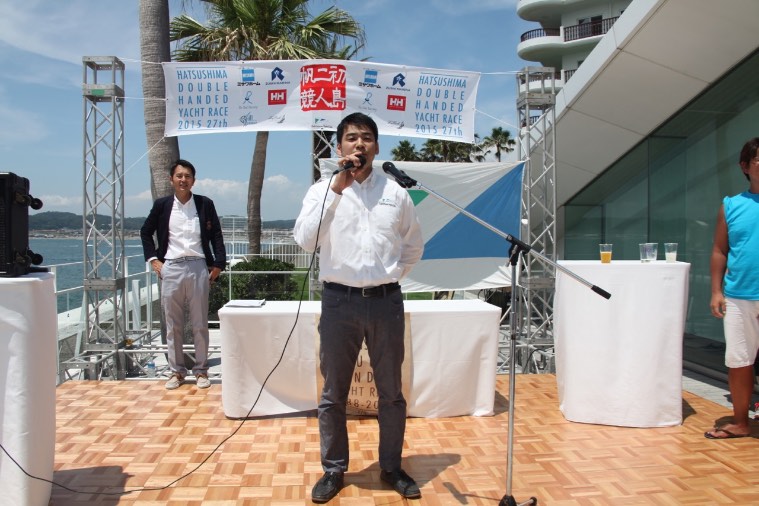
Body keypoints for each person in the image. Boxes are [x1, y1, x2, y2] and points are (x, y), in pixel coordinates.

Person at [293, 112, 424, 502]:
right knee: (333, 392)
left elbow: (413, 245)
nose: (359, 144)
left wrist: (390, 275)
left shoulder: (395, 193)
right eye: (351, 138)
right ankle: (334, 469)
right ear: (339, 147)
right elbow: (305, 240)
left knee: (391, 393)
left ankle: (391, 467)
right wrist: (337, 190)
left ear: (376, 147)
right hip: (339, 303)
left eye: (366, 137)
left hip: (386, 303)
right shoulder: (322, 190)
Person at [140, 159, 226, 390]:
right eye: (179, 176)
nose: (183, 180)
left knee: (200, 323)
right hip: (172, 267)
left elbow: (216, 235)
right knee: (173, 324)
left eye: (187, 176)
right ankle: (177, 372)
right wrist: (154, 260)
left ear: (193, 180)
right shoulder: (162, 205)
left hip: (198, 266)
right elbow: (146, 232)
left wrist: (218, 264)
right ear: (171, 179)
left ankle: (201, 371)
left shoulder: (204, 204)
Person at [705, 137, 759, 439]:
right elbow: (719, 250)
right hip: (738, 296)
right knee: (739, 361)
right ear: (745, 166)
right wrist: (716, 291)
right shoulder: (731, 205)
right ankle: (740, 422)